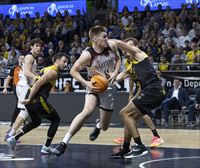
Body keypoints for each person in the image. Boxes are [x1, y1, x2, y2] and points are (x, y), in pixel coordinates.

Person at [52, 25, 121, 156]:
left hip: (109, 86)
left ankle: (99, 125)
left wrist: (116, 72)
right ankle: (63, 143)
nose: (107, 39)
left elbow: (118, 59)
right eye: (104, 37)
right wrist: (86, 83)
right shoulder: (87, 54)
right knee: (87, 111)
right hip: (94, 84)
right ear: (95, 38)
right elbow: (73, 70)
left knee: (105, 126)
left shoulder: (111, 46)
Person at [108, 38, 166, 158]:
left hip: (153, 90)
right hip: (151, 92)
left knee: (123, 113)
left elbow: (119, 44)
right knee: (129, 119)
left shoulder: (139, 54)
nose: (126, 48)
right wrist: (108, 78)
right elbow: (119, 77)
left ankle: (139, 146)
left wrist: (106, 41)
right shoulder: (129, 65)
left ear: (135, 47)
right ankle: (125, 149)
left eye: (129, 45)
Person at [6, 53, 68, 154]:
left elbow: (37, 81)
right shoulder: (53, 72)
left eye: (67, 62)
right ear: (57, 61)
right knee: (56, 120)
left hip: (30, 97)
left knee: (36, 121)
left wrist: (28, 98)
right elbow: (38, 83)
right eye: (64, 61)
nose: (66, 64)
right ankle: (46, 147)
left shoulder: (46, 69)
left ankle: (13, 138)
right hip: (36, 99)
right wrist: (29, 99)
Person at [5, 38, 43, 140]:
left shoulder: (32, 57)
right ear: (31, 47)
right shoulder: (30, 57)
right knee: (24, 111)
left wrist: (38, 75)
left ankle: (11, 132)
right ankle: (10, 134)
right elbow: (26, 72)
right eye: (36, 46)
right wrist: (37, 78)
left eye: (40, 46)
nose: (38, 48)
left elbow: (29, 71)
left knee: (24, 111)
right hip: (23, 86)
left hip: (23, 86)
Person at [3, 55, 25, 140]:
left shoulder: (26, 68)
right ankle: (13, 127)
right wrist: (5, 87)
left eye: (23, 59)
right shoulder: (15, 68)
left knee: (20, 107)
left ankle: (14, 126)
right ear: (18, 60)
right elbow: (9, 77)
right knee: (19, 106)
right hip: (17, 88)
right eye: (21, 58)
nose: (22, 60)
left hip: (25, 88)